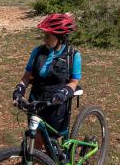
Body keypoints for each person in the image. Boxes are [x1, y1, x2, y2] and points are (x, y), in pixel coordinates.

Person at [12, 13, 81, 156]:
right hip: (36, 100)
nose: (45, 38)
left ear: (60, 37)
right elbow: (27, 76)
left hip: (56, 104)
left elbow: (74, 82)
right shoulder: (38, 52)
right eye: (44, 34)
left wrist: (65, 92)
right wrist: (19, 89)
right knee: (35, 137)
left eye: (49, 35)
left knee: (51, 142)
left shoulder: (73, 55)